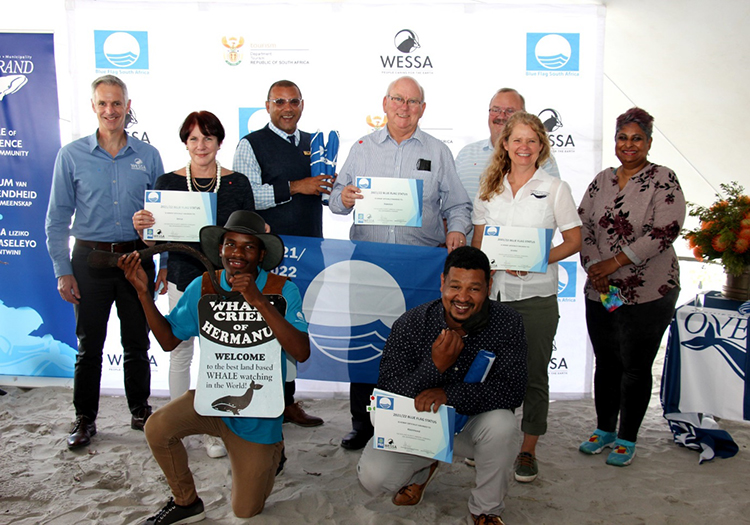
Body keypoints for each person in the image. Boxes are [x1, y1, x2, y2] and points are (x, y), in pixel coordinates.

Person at [118, 211, 310, 524]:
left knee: (245, 510)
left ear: (262, 255)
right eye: (230, 244)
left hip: (258, 415)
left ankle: (274, 447)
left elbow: (301, 351)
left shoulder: (282, 289)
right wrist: (143, 293)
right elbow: (168, 340)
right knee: (156, 428)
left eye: (249, 246)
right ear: (220, 249)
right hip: (213, 400)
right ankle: (186, 502)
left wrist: (258, 300)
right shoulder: (203, 285)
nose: (238, 253)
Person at [329, 75, 472, 451]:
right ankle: (363, 422)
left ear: (422, 108)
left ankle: (411, 420)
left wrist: (458, 231)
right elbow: (335, 201)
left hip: (420, 266)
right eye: (397, 99)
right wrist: (344, 197)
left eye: (412, 102)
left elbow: (458, 205)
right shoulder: (362, 148)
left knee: (420, 345)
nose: (404, 108)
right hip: (369, 263)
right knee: (364, 344)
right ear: (385, 103)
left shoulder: (438, 151)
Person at [357, 246, 527, 525]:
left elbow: (513, 390)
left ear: (489, 287)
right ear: (442, 283)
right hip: (421, 424)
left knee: (503, 425)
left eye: (474, 289)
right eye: (455, 286)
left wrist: (448, 393)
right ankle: (423, 469)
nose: (463, 297)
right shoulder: (412, 324)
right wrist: (434, 367)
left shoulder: (507, 322)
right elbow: (388, 390)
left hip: (472, 426)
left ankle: (486, 510)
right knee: (374, 478)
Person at [45, 75, 164, 449]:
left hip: (136, 258)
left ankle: (140, 410)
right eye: (103, 103)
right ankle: (84, 418)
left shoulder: (149, 156)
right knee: (89, 345)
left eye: (116, 103)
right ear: (93, 107)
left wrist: (161, 262)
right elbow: (56, 219)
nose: (110, 110)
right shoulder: (71, 155)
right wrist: (63, 271)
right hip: (89, 260)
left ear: (128, 106)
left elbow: (163, 216)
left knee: (137, 342)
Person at [132, 110, 255, 458]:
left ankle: (213, 431)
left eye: (208, 138)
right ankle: (177, 425)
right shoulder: (166, 182)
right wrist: (142, 230)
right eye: (194, 138)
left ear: (219, 142)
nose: (201, 145)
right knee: (179, 352)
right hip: (182, 280)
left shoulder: (238, 183)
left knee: (217, 357)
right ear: (185, 143)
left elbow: (250, 236)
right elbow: (155, 242)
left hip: (225, 284)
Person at [471, 111, 581, 483]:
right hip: (495, 298)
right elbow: (479, 242)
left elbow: (574, 240)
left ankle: (528, 450)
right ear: (504, 144)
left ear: (541, 147)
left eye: (531, 140)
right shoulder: (489, 187)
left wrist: (538, 259)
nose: (524, 146)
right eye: (517, 139)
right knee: (488, 374)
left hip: (537, 298)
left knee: (534, 376)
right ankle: (487, 443)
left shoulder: (555, 188)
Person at [577, 107, 685, 466]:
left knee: (635, 366)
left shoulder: (663, 179)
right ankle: (604, 429)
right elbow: (583, 225)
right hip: (602, 289)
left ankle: (627, 437)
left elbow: (664, 231)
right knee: (607, 362)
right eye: (622, 137)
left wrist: (614, 263)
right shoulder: (601, 180)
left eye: (637, 138)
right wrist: (595, 267)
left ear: (649, 143)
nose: (629, 144)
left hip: (649, 291)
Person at [233, 79, 325, 427]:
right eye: (280, 101)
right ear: (268, 105)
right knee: (266, 326)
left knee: (294, 326)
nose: (288, 108)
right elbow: (246, 196)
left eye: (294, 101)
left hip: (310, 253)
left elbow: (326, 191)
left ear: (302, 104)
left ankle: (287, 401)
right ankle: (264, 401)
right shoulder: (251, 144)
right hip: (269, 255)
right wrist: (296, 187)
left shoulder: (315, 144)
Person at [455, 88, 560, 203]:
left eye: (510, 111)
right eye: (495, 110)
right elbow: (452, 205)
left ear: (524, 115)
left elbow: (553, 204)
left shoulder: (541, 159)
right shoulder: (465, 154)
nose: (501, 116)